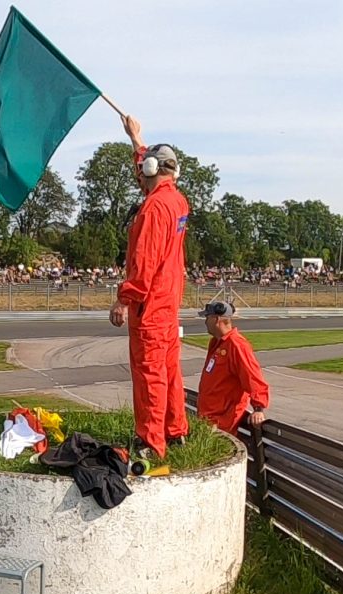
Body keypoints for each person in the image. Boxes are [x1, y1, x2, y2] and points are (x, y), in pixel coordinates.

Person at [109, 115, 191, 459]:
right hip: (168, 301)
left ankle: (150, 443)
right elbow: (148, 176)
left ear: (152, 168)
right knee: (169, 371)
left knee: (150, 375)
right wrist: (136, 139)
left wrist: (124, 299)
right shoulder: (177, 200)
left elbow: (143, 262)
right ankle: (175, 431)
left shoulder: (155, 207)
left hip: (150, 303)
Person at [196, 301, 270, 435]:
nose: (205, 321)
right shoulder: (216, 343)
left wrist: (258, 408)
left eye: (207, 317)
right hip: (208, 419)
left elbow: (253, 377)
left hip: (221, 424)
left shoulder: (237, 345)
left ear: (216, 319)